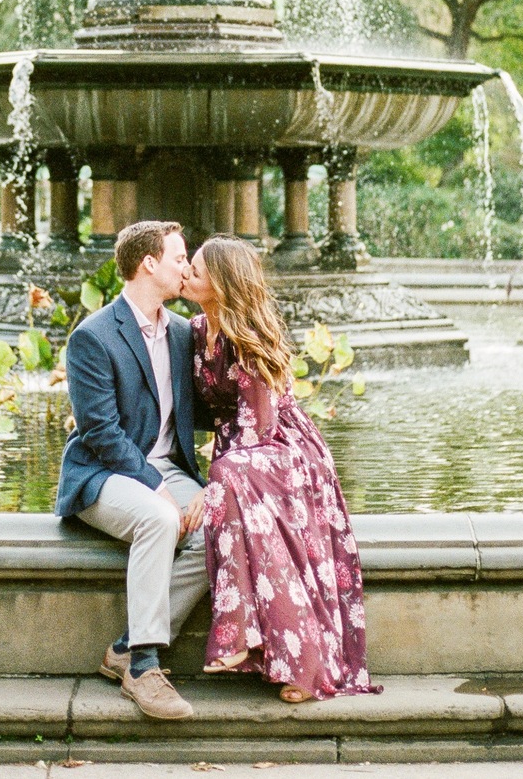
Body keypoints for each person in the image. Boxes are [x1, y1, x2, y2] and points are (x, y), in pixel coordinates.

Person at [182, 234, 382, 703]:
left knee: (227, 479)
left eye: (197, 268)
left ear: (223, 282)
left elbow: (259, 427)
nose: (188, 273)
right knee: (230, 480)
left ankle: (299, 661)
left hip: (285, 451)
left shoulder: (249, 338)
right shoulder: (194, 329)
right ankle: (253, 642)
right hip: (238, 456)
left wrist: (207, 488)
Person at [56, 220, 210, 721]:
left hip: (167, 466)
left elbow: (213, 409)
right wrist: (155, 486)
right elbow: (100, 433)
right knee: (160, 519)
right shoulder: (92, 337)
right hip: (104, 474)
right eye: (179, 257)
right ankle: (144, 668)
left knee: (227, 524)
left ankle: (124, 646)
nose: (186, 267)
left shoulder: (184, 333)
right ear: (149, 263)